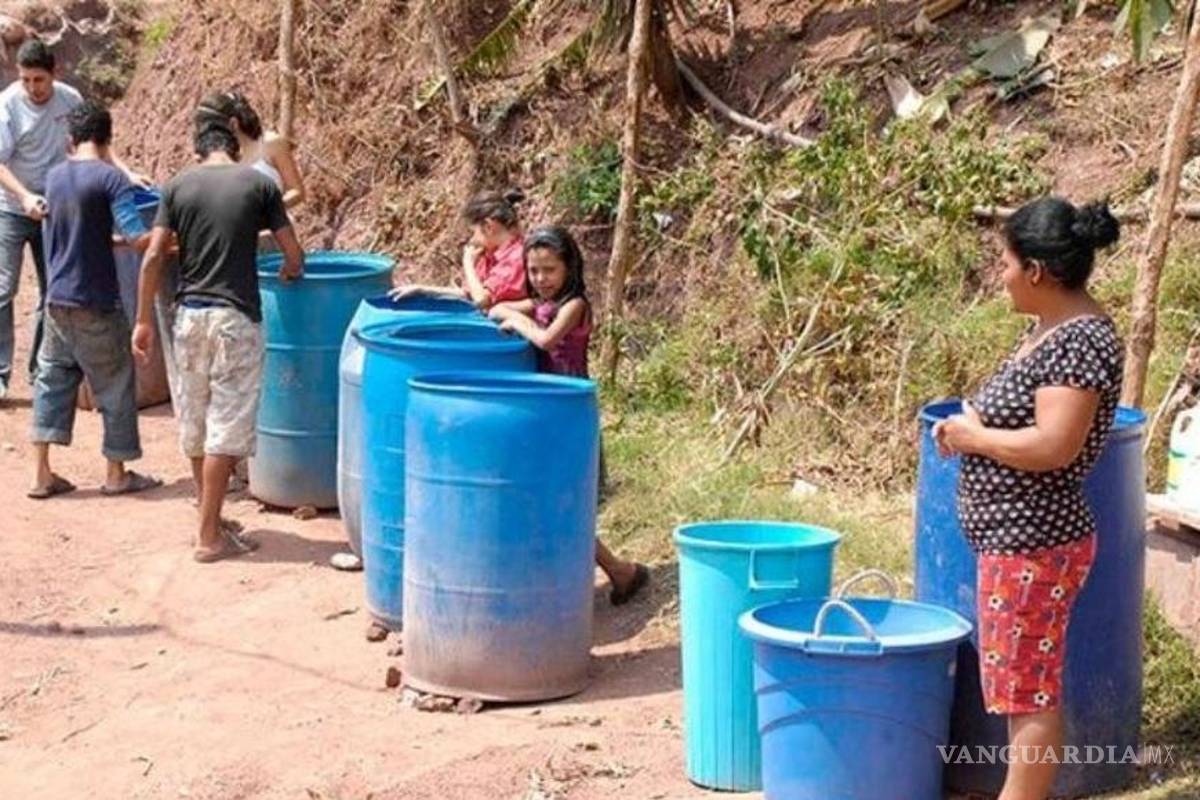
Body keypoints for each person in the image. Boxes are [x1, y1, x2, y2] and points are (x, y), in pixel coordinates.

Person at [933, 197, 1123, 800]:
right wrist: (973, 426)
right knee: (1021, 687)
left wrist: (974, 435)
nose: (1003, 276)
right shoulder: (1053, 330)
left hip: (1035, 545)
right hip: (1018, 542)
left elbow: (1055, 445)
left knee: (1027, 692)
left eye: (1008, 263)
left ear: (1038, 271)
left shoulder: (1081, 341)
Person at [131, 121, 304, 564]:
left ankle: (211, 519)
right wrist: (290, 270)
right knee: (225, 430)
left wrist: (143, 320)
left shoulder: (178, 185)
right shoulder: (257, 184)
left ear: (198, 152)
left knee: (198, 423)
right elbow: (293, 253)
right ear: (234, 150)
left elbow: (153, 255)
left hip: (188, 318)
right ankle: (209, 536)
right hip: (235, 322)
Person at [490, 225, 649, 605]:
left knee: (566, 503)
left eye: (549, 270)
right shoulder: (542, 305)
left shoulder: (574, 306)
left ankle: (620, 572)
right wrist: (506, 308)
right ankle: (615, 573)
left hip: (569, 413)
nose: (541, 279)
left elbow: (546, 339)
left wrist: (517, 320)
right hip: (543, 413)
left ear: (569, 269)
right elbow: (498, 306)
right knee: (547, 501)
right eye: (533, 271)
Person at [27, 101, 161, 499]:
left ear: (72, 140)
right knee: (116, 383)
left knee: (52, 380)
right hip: (96, 300)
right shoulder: (110, 179)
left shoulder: (53, 178)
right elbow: (137, 234)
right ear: (107, 139)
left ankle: (41, 474)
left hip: (56, 300)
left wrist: (117, 242)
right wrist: (167, 241)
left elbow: (76, 233)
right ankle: (116, 473)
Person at [0, 39, 147, 400]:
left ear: (55, 74)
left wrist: (126, 173)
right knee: (4, 288)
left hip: (59, 206)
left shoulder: (70, 99)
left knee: (53, 290)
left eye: (40, 80)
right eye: (26, 80)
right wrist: (25, 197)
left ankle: (40, 371)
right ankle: (1, 374)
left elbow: (97, 142)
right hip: (13, 206)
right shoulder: (7, 105)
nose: (33, 88)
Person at [393, 189, 528, 310]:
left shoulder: (515, 257)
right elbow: (468, 294)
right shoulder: (491, 255)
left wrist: (468, 263)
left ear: (488, 226)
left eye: (474, 232)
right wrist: (422, 290)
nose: (473, 239)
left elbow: (481, 299)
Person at [193, 90, 306, 208]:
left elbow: (297, 191)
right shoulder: (214, 158)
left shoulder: (271, 144)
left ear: (233, 124)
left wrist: (270, 211)